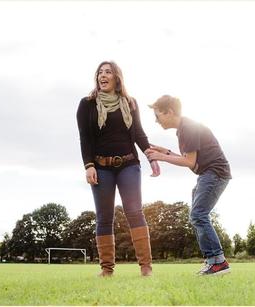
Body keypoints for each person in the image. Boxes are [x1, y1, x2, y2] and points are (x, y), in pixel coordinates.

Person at [76, 61, 160, 277]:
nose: (103, 76)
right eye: (100, 73)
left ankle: (146, 267)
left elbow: (139, 133)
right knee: (104, 216)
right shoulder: (87, 104)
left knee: (135, 212)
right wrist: (89, 165)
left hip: (129, 164)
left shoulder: (130, 103)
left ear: (117, 78)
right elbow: (84, 138)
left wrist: (151, 157)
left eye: (108, 72)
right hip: (101, 167)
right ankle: (106, 269)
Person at [146, 95, 232, 276]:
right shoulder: (184, 128)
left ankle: (219, 262)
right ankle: (212, 262)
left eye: (158, 115)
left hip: (214, 173)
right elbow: (190, 159)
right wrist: (166, 151)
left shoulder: (188, 128)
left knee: (199, 215)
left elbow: (189, 162)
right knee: (197, 216)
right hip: (208, 174)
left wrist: (162, 157)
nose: (156, 120)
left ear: (169, 112)